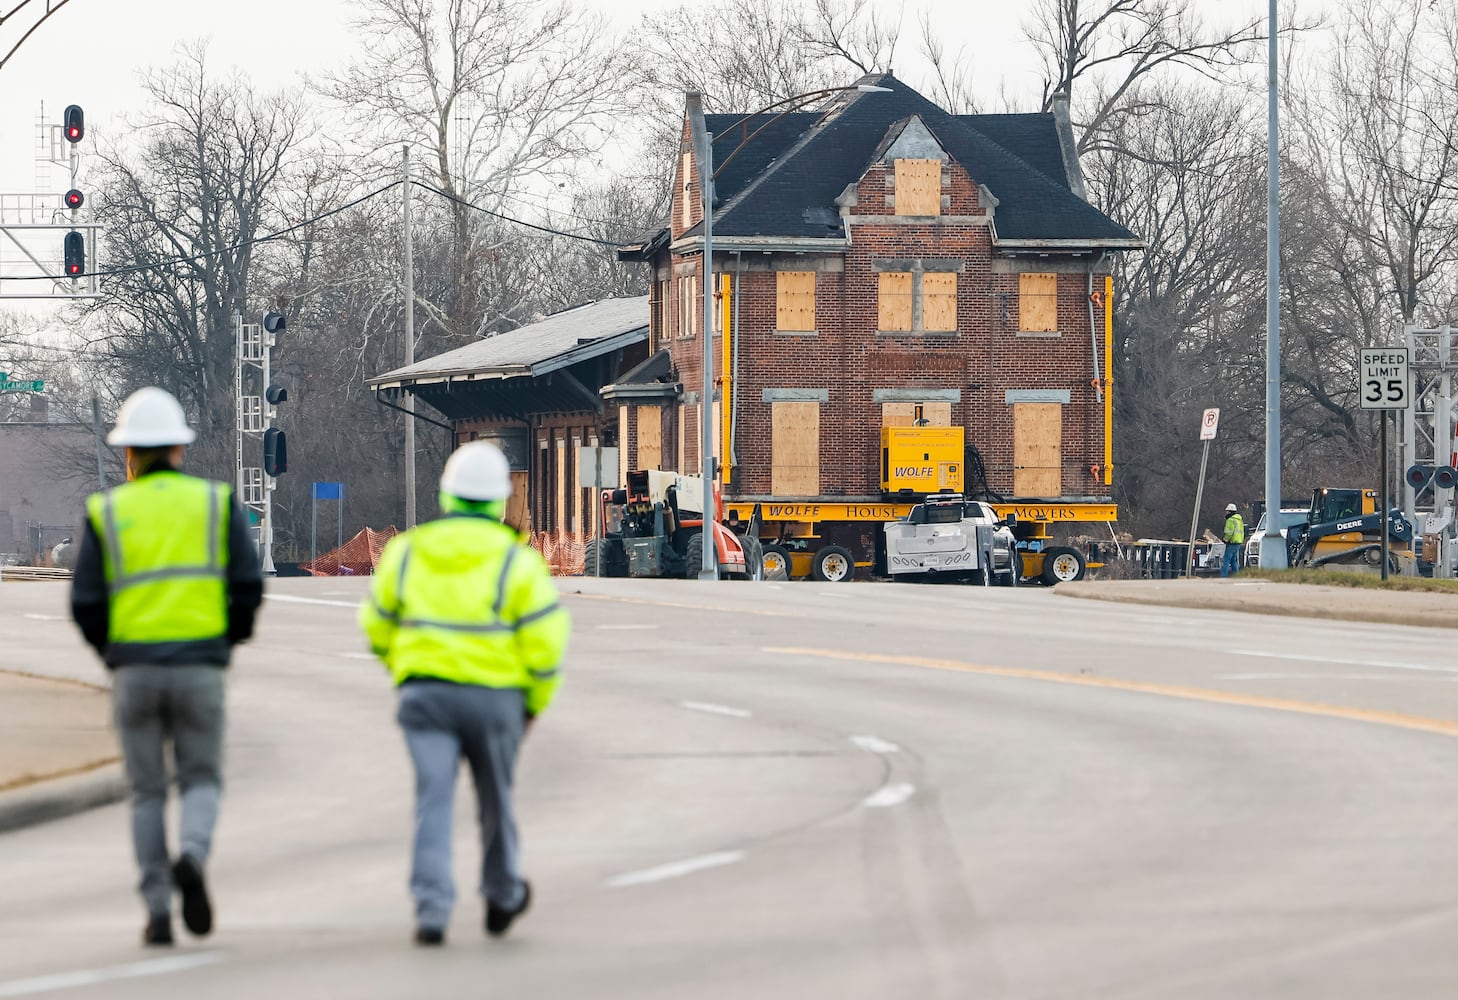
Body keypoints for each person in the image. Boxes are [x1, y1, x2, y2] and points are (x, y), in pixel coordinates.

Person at [69, 387, 263, 947]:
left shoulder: (106, 511)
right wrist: (230, 639)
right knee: (201, 777)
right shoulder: (216, 503)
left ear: (129, 455)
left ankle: (157, 910)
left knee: (148, 792)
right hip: (201, 665)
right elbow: (248, 586)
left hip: (134, 672)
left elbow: (85, 604)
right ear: (180, 448)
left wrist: (113, 653)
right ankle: (194, 857)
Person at [359, 441, 570, 946]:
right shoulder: (516, 563)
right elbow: (546, 642)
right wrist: (533, 704)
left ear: (446, 496)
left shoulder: (407, 552)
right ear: (499, 502)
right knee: (496, 798)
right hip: (496, 700)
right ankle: (501, 892)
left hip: (425, 697)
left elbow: (376, 625)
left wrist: (405, 670)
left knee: (433, 798)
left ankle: (431, 909)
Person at [1221, 502, 1245, 577]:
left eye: (1227, 511)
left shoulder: (1230, 520)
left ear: (1229, 511)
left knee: (1226, 560)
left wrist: (1225, 539)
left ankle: (1223, 576)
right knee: (1233, 560)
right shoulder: (1239, 520)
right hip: (1238, 542)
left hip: (1232, 542)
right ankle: (1236, 575)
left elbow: (1229, 532)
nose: (1226, 512)